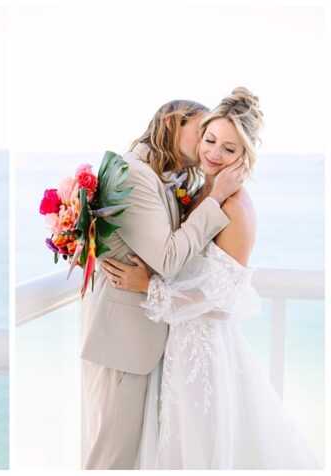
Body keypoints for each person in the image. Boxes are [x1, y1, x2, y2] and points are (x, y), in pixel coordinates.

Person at [103, 88, 320, 469]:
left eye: (229, 149)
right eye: (210, 140)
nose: (214, 154)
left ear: (244, 159)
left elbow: (225, 300)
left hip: (201, 352)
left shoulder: (236, 208)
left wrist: (148, 288)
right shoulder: (204, 189)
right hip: (176, 345)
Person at [80, 99, 247, 469]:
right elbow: (167, 259)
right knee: (111, 460)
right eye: (202, 132)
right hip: (123, 342)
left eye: (221, 142)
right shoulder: (135, 173)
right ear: (172, 123)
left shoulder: (163, 174)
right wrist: (216, 197)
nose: (207, 143)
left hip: (147, 341)